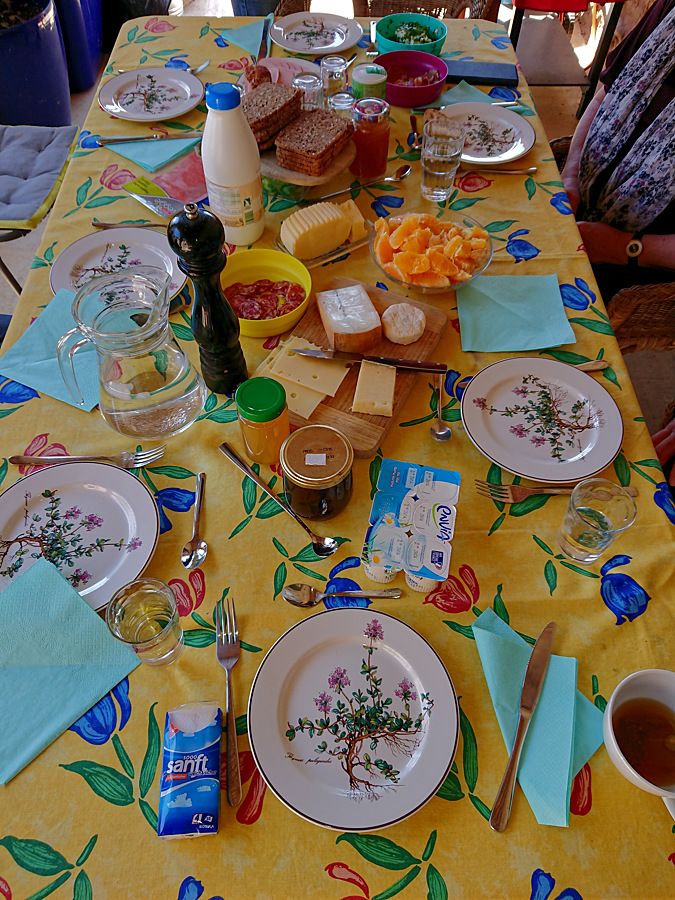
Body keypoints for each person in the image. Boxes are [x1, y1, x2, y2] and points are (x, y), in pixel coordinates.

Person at [561, 0, 675, 303]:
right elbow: (605, 94)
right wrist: (570, 177)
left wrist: (624, 247)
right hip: (581, 204)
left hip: (636, 269)